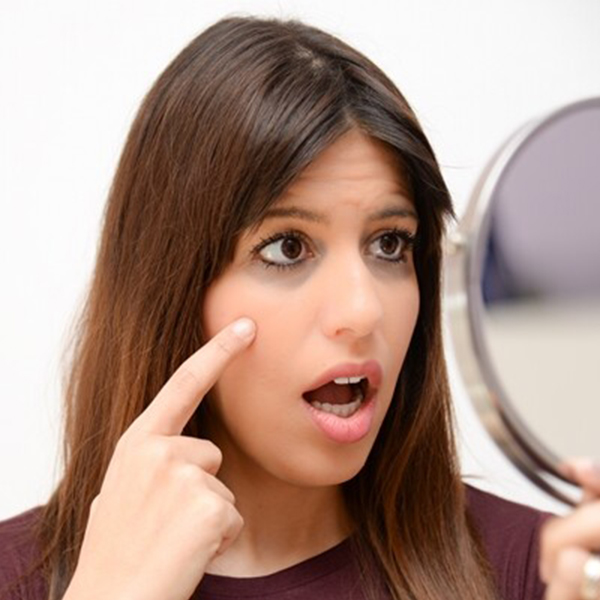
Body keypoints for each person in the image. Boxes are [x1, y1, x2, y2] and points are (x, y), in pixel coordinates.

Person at [1, 14, 599, 600]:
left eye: (390, 244)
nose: (363, 310)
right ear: (172, 286)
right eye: (287, 248)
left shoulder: (547, 574)